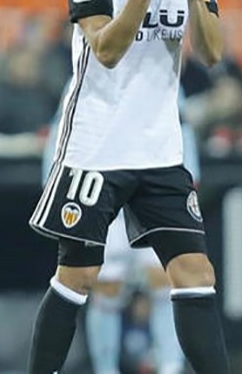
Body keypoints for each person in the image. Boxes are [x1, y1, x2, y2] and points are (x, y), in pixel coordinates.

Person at [26, 0, 230, 374]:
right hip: (96, 145)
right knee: (81, 276)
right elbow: (107, 51)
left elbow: (210, 52)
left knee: (195, 272)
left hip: (159, 149)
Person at [40, 85, 200, 374]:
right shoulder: (93, 64)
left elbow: (181, 129)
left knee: (164, 280)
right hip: (103, 187)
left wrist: (188, 181)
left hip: (153, 187)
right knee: (105, 286)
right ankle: (105, 369)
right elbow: (63, 129)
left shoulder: (161, 67)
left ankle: (171, 367)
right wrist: (57, 183)